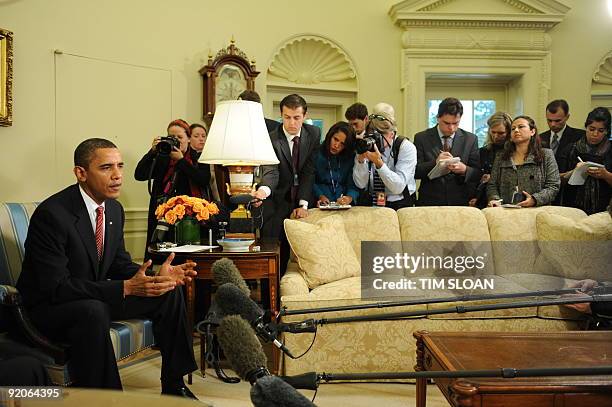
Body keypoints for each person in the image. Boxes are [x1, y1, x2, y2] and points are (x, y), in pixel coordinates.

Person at [16, 139, 198, 397]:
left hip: (93, 296)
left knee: (167, 293)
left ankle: (174, 386)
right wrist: (123, 288)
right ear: (81, 173)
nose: (117, 176)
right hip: (49, 307)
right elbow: (56, 287)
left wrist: (155, 278)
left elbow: (118, 262)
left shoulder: (114, 208)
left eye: (120, 166)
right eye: (106, 168)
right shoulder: (53, 215)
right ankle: (107, 399)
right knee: (94, 310)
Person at [252, 94, 320, 275]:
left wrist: (303, 203)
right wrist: (263, 191)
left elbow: (308, 171)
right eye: (287, 117)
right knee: (274, 259)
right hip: (275, 203)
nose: (291, 123)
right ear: (281, 115)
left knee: (305, 256)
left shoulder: (313, 134)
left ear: (304, 116)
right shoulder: (271, 139)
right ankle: (270, 302)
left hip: (301, 200)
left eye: (296, 118)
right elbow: (271, 171)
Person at [135, 119, 213, 250]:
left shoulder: (198, 158)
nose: (176, 140)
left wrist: (181, 161)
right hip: (163, 216)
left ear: (188, 138)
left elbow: (203, 179)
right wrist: (152, 152)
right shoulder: (162, 157)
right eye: (172, 137)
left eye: (180, 137)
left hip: (191, 217)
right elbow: (140, 174)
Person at [414, 97, 480, 206]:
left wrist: (464, 169)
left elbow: (477, 173)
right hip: (429, 202)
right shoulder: (421, 138)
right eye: (447, 123)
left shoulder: (471, 139)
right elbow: (415, 172)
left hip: (460, 201)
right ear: (438, 118)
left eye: (456, 123)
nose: (451, 128)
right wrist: (435, 162)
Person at [487, 115, 560, 207]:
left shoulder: (546, 155)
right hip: (505, 212)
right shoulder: (501, 156)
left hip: (537, 210)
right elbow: (492, 185)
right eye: (513, 129)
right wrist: (494, 199)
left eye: (521, 127)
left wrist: (534, 199)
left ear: (532, 131)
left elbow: (553, 186)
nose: (516, 130)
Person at [353, 109, 417, 209]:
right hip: (373, 203)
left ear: (391, 134)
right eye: (372, 136)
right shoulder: (367, 145)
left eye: (378, 136)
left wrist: (379, 163)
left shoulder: (405, 147)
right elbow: (360, 184)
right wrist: (360, 161)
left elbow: (398, 187)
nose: (375, 140)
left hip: (400, 204)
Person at [562, 107, 612, 214]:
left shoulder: (610, 150)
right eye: (591, 129)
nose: (595, 134)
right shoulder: (571, 149)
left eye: (601, 130)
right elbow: (555, 181)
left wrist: (606, 175)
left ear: (607, 131)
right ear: (586, 127)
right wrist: (573, 172)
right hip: (573, 208)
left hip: (604, 210)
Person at [540, 100, 586, 205]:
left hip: (571, 195)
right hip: (546, 194)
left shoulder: (580, 137)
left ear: (567, 116)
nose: (553, 124)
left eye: (558, 121)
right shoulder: (539, 138)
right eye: (549, 120)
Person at [469, 112, 512, 208]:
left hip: (507, 198)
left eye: (501, 133)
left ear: (509, 132)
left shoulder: (515, 152)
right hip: (484, 199)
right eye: (493, 132)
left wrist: (494, 177)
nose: (496, 136)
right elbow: (474, 177)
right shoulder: (483, 152)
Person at [313, 121, 359, 207]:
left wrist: (349, 198)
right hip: (318, 204)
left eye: (342, 144)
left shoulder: (350, 158)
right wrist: (320, 196)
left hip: (342, 207)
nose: (336, 145)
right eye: (335, 139)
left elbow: (353, 184)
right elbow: (310, 181)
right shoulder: (316, 153)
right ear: (330, 136)